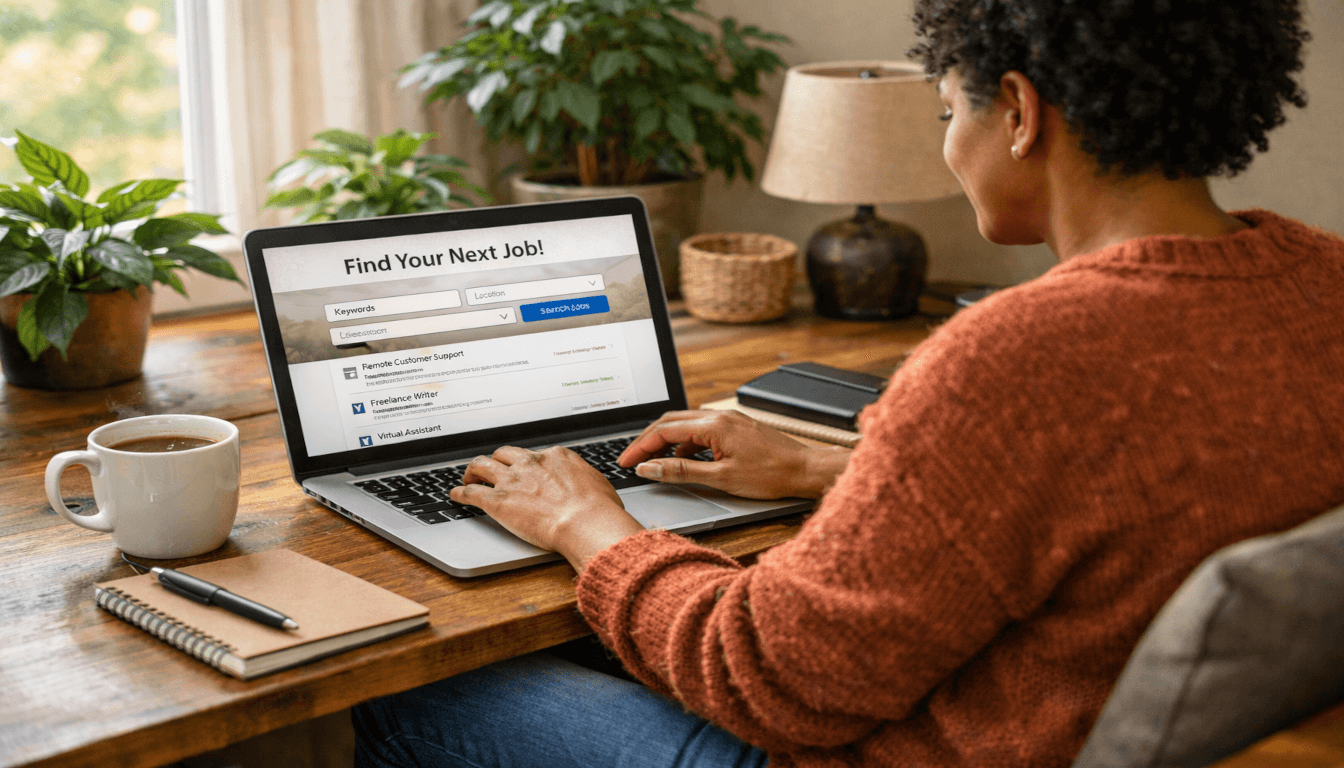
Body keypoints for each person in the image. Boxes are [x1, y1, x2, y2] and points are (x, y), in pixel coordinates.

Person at [353, 0, 1344, 766]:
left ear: (1019, 114)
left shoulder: (1016, 359)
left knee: (407, 696)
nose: (949, 146)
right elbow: (1129, 504)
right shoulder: (1324, 285)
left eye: (950, 112)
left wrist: (584, 524)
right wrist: (839, 469)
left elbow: (762, 675)